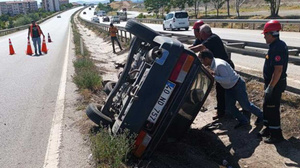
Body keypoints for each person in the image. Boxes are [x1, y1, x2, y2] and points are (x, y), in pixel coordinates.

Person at [199, 49, 263, 129]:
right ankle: (243, 121)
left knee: (246, 105)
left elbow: (227, 79)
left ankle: (261, 116)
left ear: (206, 59)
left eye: (202, 60)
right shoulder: (214, 64)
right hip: (229, 88)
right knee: (229, 107)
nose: (202, 62)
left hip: (237, 85)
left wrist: (214, 77)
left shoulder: (219, 65)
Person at [190, 24, 235, 120]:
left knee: (227, 89)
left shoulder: (213, 38)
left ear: (204, 33)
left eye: (201, 34)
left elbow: (201, 47)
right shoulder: (206, 39)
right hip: (219, 68)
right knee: (221, 90)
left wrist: (186, 51)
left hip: (225, 67)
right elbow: (199, 51)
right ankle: (223, 110)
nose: (200, 36)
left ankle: (224, 112)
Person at [258, 20, 288, 143]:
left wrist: (271, 87)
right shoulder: (274, 45)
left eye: (265, 34)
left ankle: (276, 135)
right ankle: (268, 128)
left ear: (272, 34)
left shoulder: (278, 48)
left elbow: (278, 70)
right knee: (267, 105)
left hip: (275, 84)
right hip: (271, 83)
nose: (264, 36)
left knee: (272, 108)